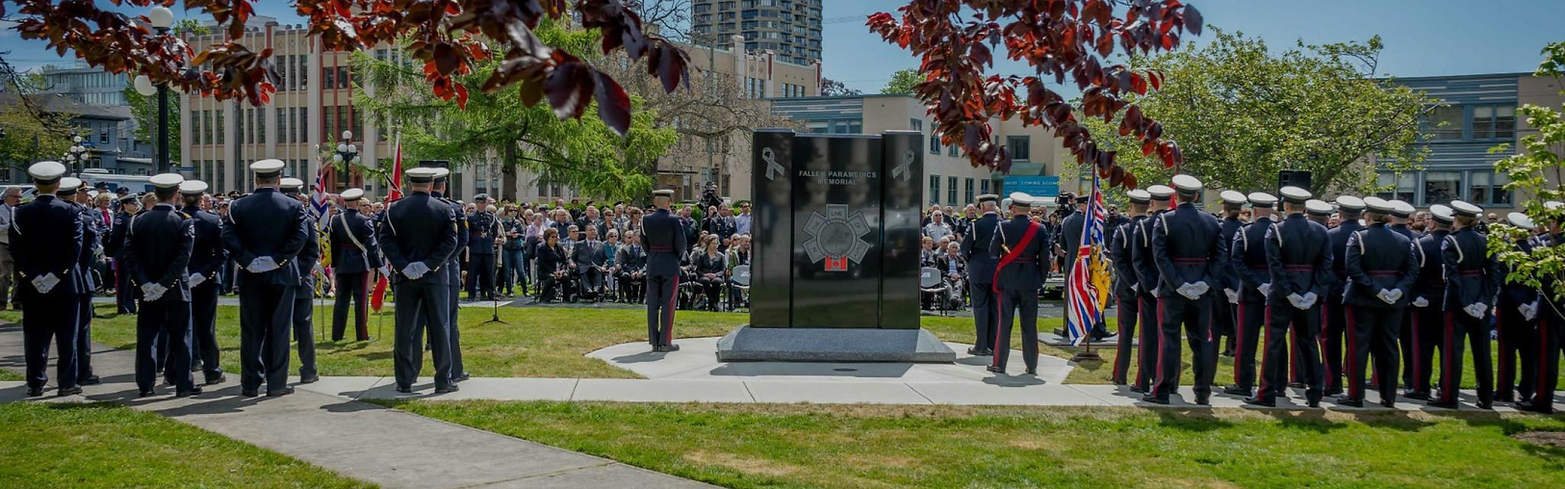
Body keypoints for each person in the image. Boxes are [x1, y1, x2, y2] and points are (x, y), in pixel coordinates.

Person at [222, 159, 309, 398]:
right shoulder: (292, 205)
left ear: (256, 180)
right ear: (278, 180)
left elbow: (228, 236)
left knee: (251, 330)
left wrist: (248, 259)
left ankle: (250, 383)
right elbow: (300, 237)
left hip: (250, 275)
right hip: (282, 275)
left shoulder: (238, 206)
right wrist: (277, 259)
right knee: (279, 330)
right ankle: (276, 382)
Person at [1246, 186, 1330, 409]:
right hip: (1309, 291)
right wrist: (1314, 291)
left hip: (1282, 295)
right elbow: (1325, 264)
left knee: (1274, 343)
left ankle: (1267, 392)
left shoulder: (1277, 230)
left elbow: (1275, 266)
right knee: (1309, 343)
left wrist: (1289, 292)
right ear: (1304, 207)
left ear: (1285, 206)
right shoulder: (1321, 231)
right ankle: (1315, 391)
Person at [380, 167, 459, 394]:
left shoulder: (394, 209)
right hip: (435, 276)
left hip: (404, 278)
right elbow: (450, 243)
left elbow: (385, 240)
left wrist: (404, 265)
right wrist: (428, 265)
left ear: (409, 183)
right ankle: (443, 380)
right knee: (440, 327)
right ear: (432, 183)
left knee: (405, 329)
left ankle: (404, 380)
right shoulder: (444, 209)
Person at [1146, 175, 1224, 405]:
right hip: (1201, 288)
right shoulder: (1211, 221)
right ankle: (1202, 392)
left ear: (1175, 195)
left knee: (1169, 340)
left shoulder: (1166, 220)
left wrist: (1177, 283)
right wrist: (1205, 282)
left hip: (1172, 290)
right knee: (1202, 342)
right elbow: (1220, 257)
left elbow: (1160, 256)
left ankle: (1162, 390)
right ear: (1197, 196)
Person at [12, 162, 85, 397]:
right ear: (59, 184)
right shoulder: (71, 211)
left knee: (34, 337)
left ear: (35, 184)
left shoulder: (21, 212)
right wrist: (57, 274)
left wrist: (34, 276)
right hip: (65, 284)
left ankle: (35, 382)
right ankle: (66, 382)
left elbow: (17, 250)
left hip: (32, 284)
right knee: (67, 337)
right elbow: (75, 248)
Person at [123, 173, 201, 397]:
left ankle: (145, 384)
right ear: (177, 194)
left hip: (147, 290)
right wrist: (165, 283)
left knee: (147, 338)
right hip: (176, 289)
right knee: (180, 337)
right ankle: (183, 384)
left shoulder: (138, 220)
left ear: (155, 194)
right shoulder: (183, 220)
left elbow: (130, 256)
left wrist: (146, 284)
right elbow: (182, 257)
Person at [1339, 197, 1418, 408]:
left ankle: (1355, 394)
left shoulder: (1359, 237)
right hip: (1393, 299)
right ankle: (1389, 395)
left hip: (1362, 298)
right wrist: (1397, 290)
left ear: (1368, 216)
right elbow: (1412, 271)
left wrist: (1376, 289)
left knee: (1358, 346)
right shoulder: (1403, 240)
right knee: (1389, 347)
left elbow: (1353, 269)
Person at [1431, 200, 1499, 410]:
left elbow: (1452, 275)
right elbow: (1494, 275)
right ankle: (1486, 397)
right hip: (1480, 294)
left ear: (1456, 219)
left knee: (1453, 350)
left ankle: (1449, 396)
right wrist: (1483, 301)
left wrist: (1466, 302)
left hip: (1457, 300)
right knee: (1482, 351)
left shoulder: (1451, 241)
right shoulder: (1485, 240)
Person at [986, 192, 1047, 375]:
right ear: (1028, 209)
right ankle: (1031, 364)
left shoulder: (1003, 227)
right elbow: (1045, 259)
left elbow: (992, 252)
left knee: (1004, 324)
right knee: (1029, 325)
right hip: (1030, 281)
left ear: (1012, 208)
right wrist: (1040, 280)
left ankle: (999, 364)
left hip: (1008, 280)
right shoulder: (1040, 229)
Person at [1224, 192, 1276, 399]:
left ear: (1254, 211)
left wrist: (1257, 284)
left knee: (1246, 340)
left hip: (1249, 290)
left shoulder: (1246, 232)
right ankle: (1277, 382)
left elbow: (1238, 261)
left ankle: (1244, 382)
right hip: (1275, 289)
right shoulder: (1276, 231)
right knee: (1275, 339)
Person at [1518, 201, 1564, 414]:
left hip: (1551, 307)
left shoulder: (1547, 246)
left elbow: (1540, 276)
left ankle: (1543, 400)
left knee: (1547, 357)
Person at [181, 180, 228, 385]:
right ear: (202, 199)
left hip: (180, 278)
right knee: (207, 327)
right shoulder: (211, 219)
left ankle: (179, 370)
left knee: (180, 326)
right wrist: (205, 272)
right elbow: (222, 252)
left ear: (182, 198)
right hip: (207, 279)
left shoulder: (176, 219)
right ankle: (212, 370)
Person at [1322, 196, 1366, 398]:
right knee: (1356, 341)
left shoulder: (1330, 235)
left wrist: (1337, 286)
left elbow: (1325, 265)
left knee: (1330, 338)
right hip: (1359, 292)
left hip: (1333, 292)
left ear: (1340, 214)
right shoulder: (1365, 235)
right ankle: (1356, 385)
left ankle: (1332, 382)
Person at [59, 179, 102, 386]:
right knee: (80, 328)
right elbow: (88, 248)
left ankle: (36, 380)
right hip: (78, 277)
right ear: (75, 194)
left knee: (39, 332)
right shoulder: (81, 215)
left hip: (40, 277)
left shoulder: (27, 212)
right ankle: (82, 371)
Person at [278, 178, 320, 384]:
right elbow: (312, 252)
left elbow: (312, 251)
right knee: (303, 326)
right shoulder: (306, 219)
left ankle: (306, 369)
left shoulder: (304, 219)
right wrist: (302, 273)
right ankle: (309, 369)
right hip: (299, 278)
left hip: (286, 277)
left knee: (286, 326)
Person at [1108, 190, 1151, 385]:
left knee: (1125, 334)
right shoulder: (1153, 227)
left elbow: (1118, 260)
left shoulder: (1123, 230)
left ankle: (1120, 375)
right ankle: (1145, 375)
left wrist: (1132, 282)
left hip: (1127, 287)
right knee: (1148, 334)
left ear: (1132, 207)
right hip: (1149, 287)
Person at [330, 188, 380, 342]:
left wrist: (334, 264)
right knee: (361, 300)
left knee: (341, 300)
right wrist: (378, 264)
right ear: (358, 202)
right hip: (359, 262)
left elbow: (334, 245)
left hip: (342, 263)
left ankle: (337, 334)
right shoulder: (365, 221)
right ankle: (362, 334)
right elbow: (371, 245)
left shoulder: (335, 220)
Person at [645, 189, 687, 352]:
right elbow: (681, 244)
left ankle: (654, 341)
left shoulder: (646, 219)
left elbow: (644, 242)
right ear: (669, 203)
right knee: (668, 304)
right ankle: (665, 341)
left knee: (653, 304)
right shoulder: (674, 220)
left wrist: (653, 253)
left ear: (655, 202)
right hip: (670, 262)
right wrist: (675, 256)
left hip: (653, 262)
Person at [962, 194, 1002, 357]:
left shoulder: (975, 225)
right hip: (998, 269)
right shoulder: (1003, 224)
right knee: (995, 307)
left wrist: (972, 261)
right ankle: (993, 344)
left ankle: (981, 345)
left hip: (978, 268)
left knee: (980, 307)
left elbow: (965, 248)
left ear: (983, 207)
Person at [1216, 191, 1247, 357]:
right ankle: (1233, 347)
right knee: (1237, 318)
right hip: (1238, 277)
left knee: (1219, 318)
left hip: (1221, 277)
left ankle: (1223, 348)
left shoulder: (1219, 228)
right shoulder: (1244, 228)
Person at [108, 192, 140, 314]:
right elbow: (115, 238)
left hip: (133, 255)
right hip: (122, 255)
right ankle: (122, 307)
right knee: (122, 283)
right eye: (132, 203)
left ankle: (130, 305)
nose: (135, 205)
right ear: (125, 204)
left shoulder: (134, 217)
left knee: (131, 283)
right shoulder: (120, 219)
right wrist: (116, 253)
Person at [466, 196, 499, 301]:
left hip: (488, 247)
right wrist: (471, 244)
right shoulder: (471, 217)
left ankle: (490, 293)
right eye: (480, 203)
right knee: (473, 273)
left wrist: (491, 242)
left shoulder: (491, 217)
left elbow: (494, 231)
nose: (482, 205)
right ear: (477, 204)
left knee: (489, 272)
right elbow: (468, 233)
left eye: (484, 203)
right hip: (476, 247)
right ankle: (471, 294)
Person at [536, 228, 574, 302]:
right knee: (552, 278)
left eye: (556, 237)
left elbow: (564, 261)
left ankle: (566, 298)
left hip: (559, 271)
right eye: (552, 237)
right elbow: (542, 264)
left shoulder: (559, 247)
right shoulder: (542, 248)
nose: (555, 239)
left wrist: (562, 271)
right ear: (547, 238)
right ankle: (545, 298)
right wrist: (553, 272)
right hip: (546, 271)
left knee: (566, 277)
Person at [572, 225, 609, 301]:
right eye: (590, 230)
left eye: (594, 230)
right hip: (583, 266)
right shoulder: (578, 244)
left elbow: (606, 259)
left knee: (598, 271)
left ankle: (596, 290)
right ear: (586, 232)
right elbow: (572, 258)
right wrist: (573, 264)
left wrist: (604, 266)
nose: (593, 232)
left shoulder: (601, 245)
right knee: (583, 271)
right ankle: (588, 290)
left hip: (597, 267)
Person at [691, 234, 726, 311]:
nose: (715, 245)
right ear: (708, 244)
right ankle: (712, 302)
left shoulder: (721, 256)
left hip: (716, 276)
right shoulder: (702, 256)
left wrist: (715, 274)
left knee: (716, 282)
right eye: (713, 243)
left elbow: (723, 269)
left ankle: (713, 303)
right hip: (704, 276)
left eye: (716, 243)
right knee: (706, 280)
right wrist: (705, 274)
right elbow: (698, 269)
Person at [500, 206, 527, 296]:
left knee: (520, 270)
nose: (513, 212)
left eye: (515, 211)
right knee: (507, 271)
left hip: (517, 248)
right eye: (511, 211)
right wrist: (506, 234)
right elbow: (500, 235)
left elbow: (523, 235)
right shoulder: (502, 223)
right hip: (507, 248)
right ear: (506, 212)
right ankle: (509, 290)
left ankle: (525, 290)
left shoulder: (518, 223)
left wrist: (517, 235)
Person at [616, 231, 648, 303]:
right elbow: (624, 264)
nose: (640, 238)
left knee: (646, 277)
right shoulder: (625, 249)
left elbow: (647, 263)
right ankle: (629, 298)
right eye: (639, 236)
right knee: (624, 276)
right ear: (633, 237)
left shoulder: (645, 249)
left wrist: (641, 271)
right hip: (629, 271)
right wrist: (632, 271)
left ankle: (641, 299)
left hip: (641, 271)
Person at [0, 186, 18, 311]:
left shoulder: (21, 210)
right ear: (6, 197)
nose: (18, 200)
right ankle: (1, 302)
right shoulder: (0, 211)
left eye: (20, 197)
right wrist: (11, 226)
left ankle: (17, 301)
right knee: (4, 275)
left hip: (19, 246)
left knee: (20, 275)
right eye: (15, 197)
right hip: (4, 244)